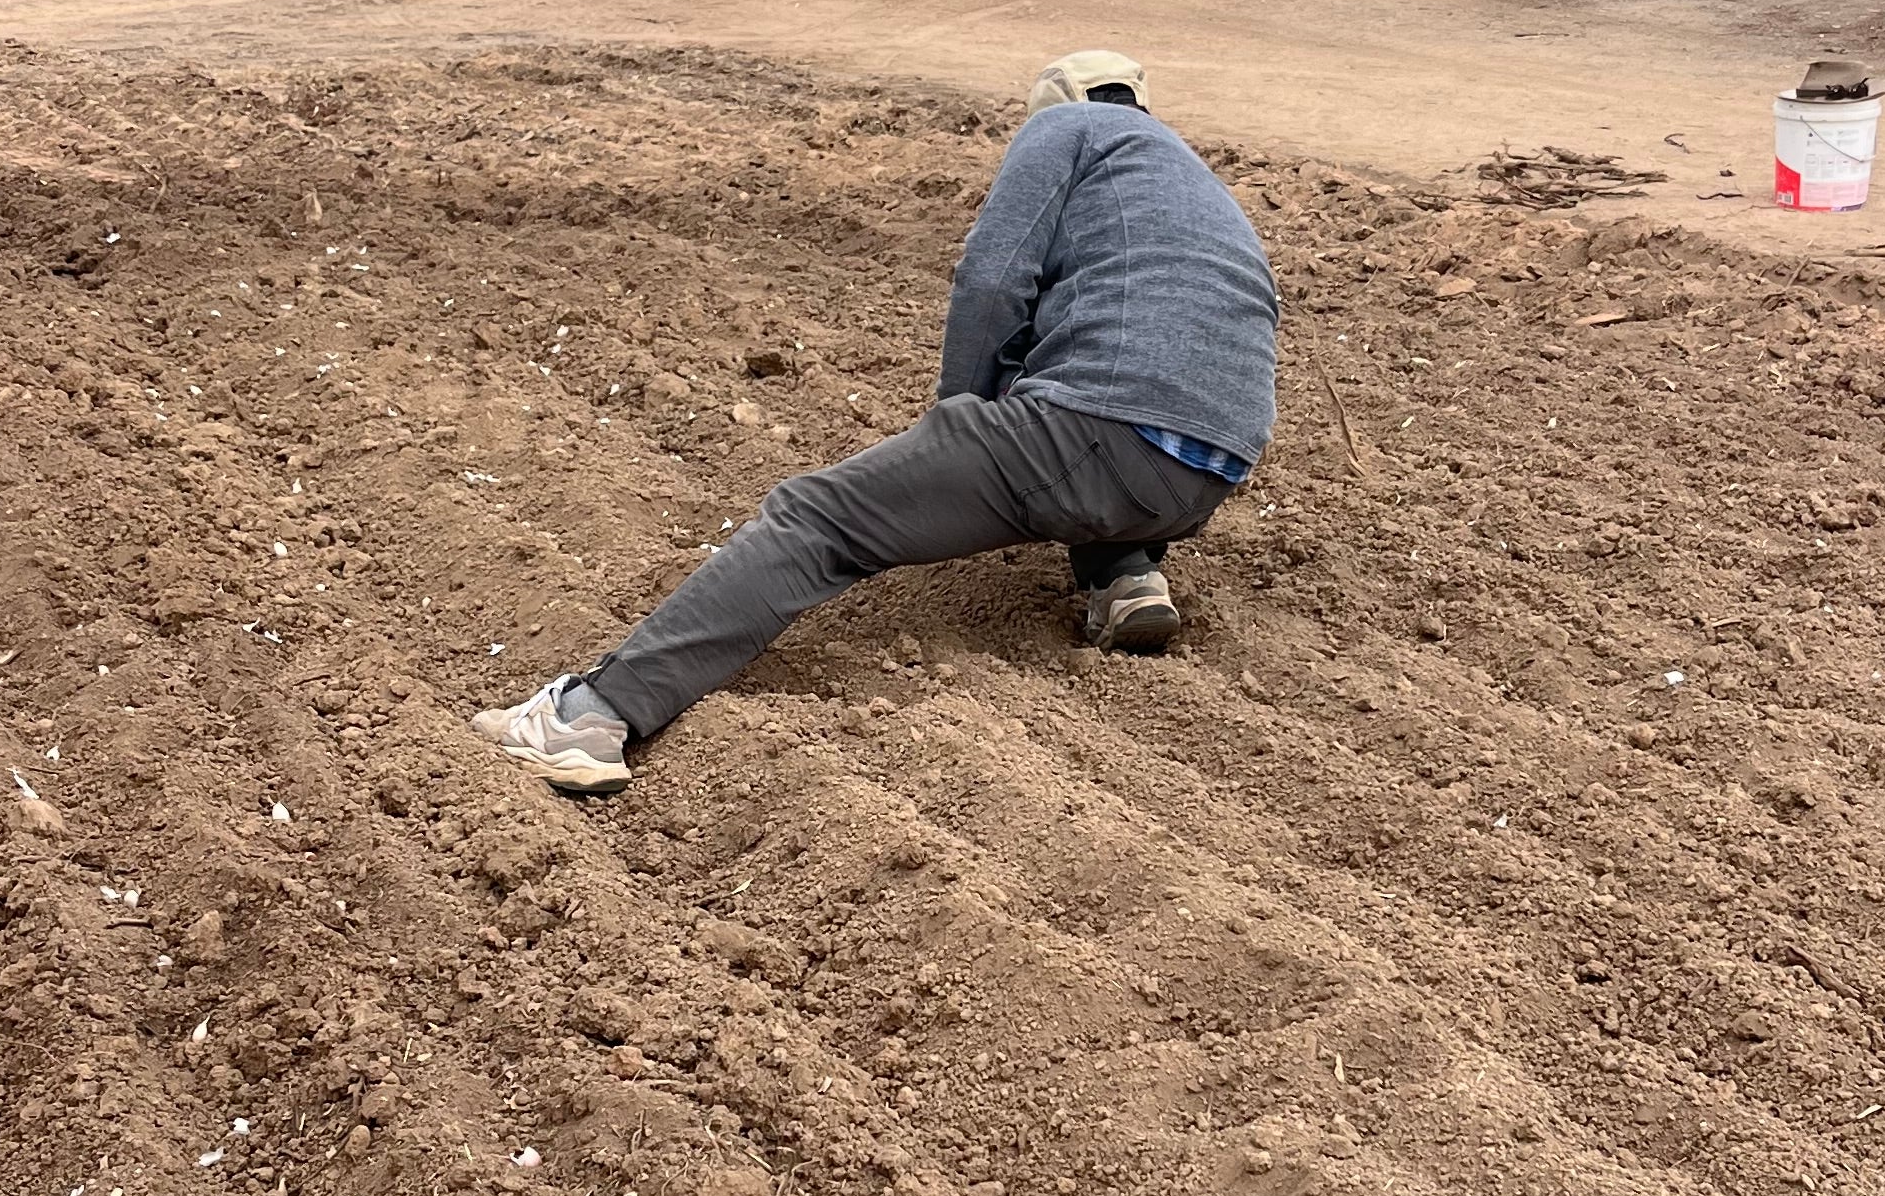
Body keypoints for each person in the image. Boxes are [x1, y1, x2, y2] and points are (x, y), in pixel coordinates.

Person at [472, 51, 1279, 795]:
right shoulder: (1185, 180)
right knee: (1075, 407)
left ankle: (588, 715)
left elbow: (994, 282)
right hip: (1208, 469)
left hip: (1098, 428)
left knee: (818, 518)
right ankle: (1127, 577)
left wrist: (956, 421)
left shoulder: (1069, 127)